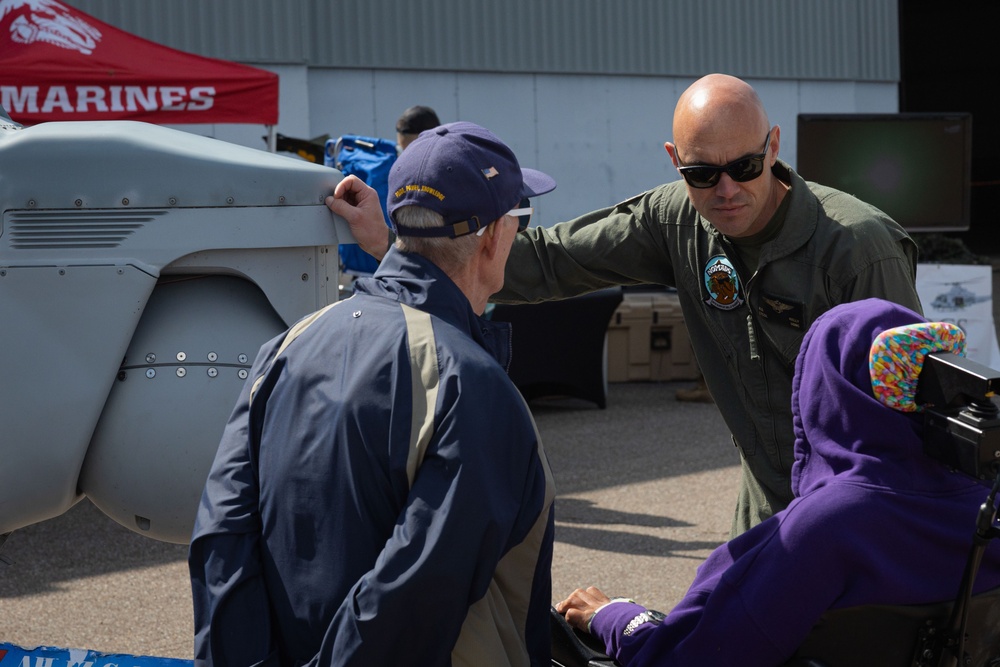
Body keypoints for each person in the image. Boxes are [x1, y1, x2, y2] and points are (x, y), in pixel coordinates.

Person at [326, 72, 923, 536]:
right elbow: (548, 261)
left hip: (859, 518)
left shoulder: (857, 250)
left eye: (744, 166)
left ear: (772, 146)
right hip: (766, 510)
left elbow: (912, 421)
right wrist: (389, 244)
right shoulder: (675, 219)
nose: (726, 190)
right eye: (701, 173)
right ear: (673, 161)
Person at [189, 121, 558, 666]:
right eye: (521, 220)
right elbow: (416, 593)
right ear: (491, 237)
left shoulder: (288, 345)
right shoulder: (471, 385)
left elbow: (222, 536)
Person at [555, 297, 1000, 666]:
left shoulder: (828, 525)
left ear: (825, 395)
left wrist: (615, 617)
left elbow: (692, 656)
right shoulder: (988, 504)